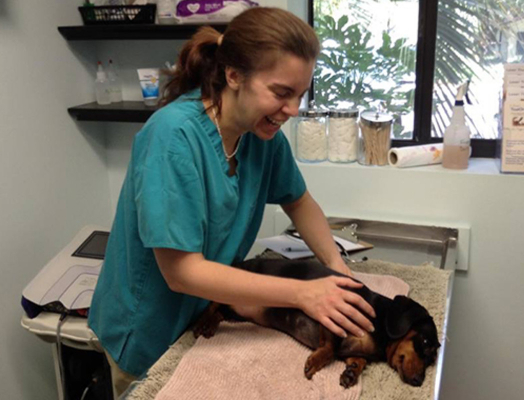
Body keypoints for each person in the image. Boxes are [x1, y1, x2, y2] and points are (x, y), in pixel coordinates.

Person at [88, 7, 376, 397]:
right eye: (281, 93)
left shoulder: (263, 137)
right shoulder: (172, 138)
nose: (292, 111)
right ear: (234, 75)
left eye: (300, 95)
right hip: (147, 332)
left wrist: (337, 271)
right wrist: (304, 294)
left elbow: (300, 201)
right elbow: (182, 273)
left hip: (202, 319)